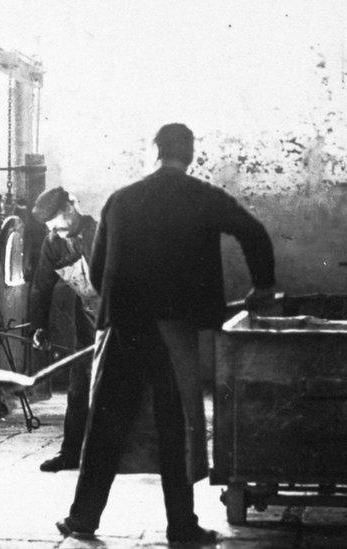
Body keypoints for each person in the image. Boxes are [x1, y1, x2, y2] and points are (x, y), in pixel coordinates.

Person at [56, 123, 277, 544]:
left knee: (105, 423)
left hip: (121, 326)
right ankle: (181, 526)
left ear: (153, 152)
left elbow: (99, 272)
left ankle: (83, 518)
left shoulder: (119, 200)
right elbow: (254, 232)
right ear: (190, 155)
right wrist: (262, 286)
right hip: (173, 330)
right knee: (174, 426)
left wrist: (122, 304)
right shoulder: (203, 196)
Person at [28, 186, 99, 472]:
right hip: (87, 322)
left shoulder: (104, 231)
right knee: (79, 388)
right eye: (50, 228)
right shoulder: (53, 243)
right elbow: (40, 287)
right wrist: (39, 327)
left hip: (123, 321)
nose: (56, 231)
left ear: (73, 205)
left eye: (58, 223)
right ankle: (70, 454)